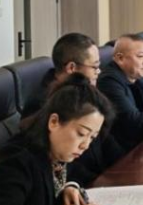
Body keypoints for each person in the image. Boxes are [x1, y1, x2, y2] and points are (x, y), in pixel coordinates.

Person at [0, 75, 111, 205]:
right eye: (81, 134)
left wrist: (70, 185)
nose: (85, 145)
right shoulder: (17, 161)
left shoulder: (58, 149)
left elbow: (76, 173)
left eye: (92, 137)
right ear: (54, 122)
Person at [21, 32, 125, 184]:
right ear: (71, 67)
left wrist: (127, 165)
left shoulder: (86, 93)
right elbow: (62, 163)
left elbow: (105, 140)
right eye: (95, 67)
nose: (99, 72)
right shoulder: (43, 102)